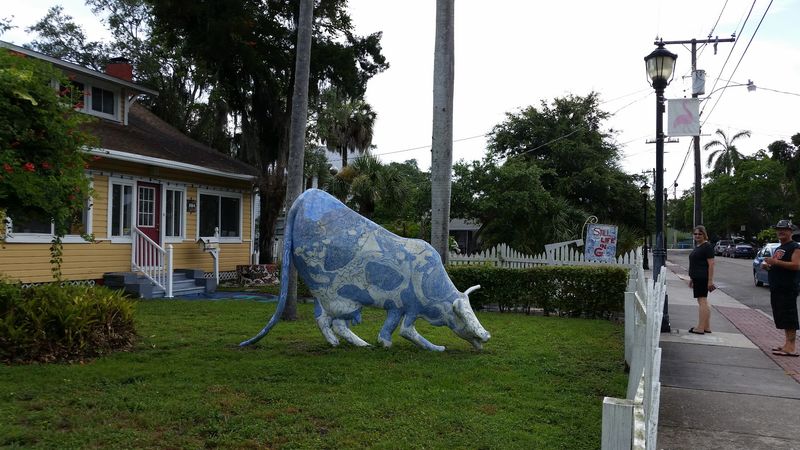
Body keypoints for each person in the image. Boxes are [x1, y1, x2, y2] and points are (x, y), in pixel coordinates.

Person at [762, 219, 800, 357]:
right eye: (778, 229)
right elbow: (777, 265)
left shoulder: (795, 247)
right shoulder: (779, 248)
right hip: (777, 288)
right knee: (782, 316)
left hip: (788, 288)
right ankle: (786, 344)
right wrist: (768, 266)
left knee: (789, 317)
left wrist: (775, 262)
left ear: (791, 231)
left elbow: (796, 265)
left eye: (784, 229)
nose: (780, 232)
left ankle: (791, 347)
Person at [687, 225, 715, 334]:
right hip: (697, 278)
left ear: (704, 234)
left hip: (702, 278)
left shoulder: (707, 246)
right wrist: (692, 278)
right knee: (704, 301)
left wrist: (710, 280)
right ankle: (706, 326)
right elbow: (696, 264)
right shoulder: (699, 246)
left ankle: (700, 327)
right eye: (695, 234)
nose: (697, 236)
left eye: (700, 234)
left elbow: (711, 264)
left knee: (702, 301)